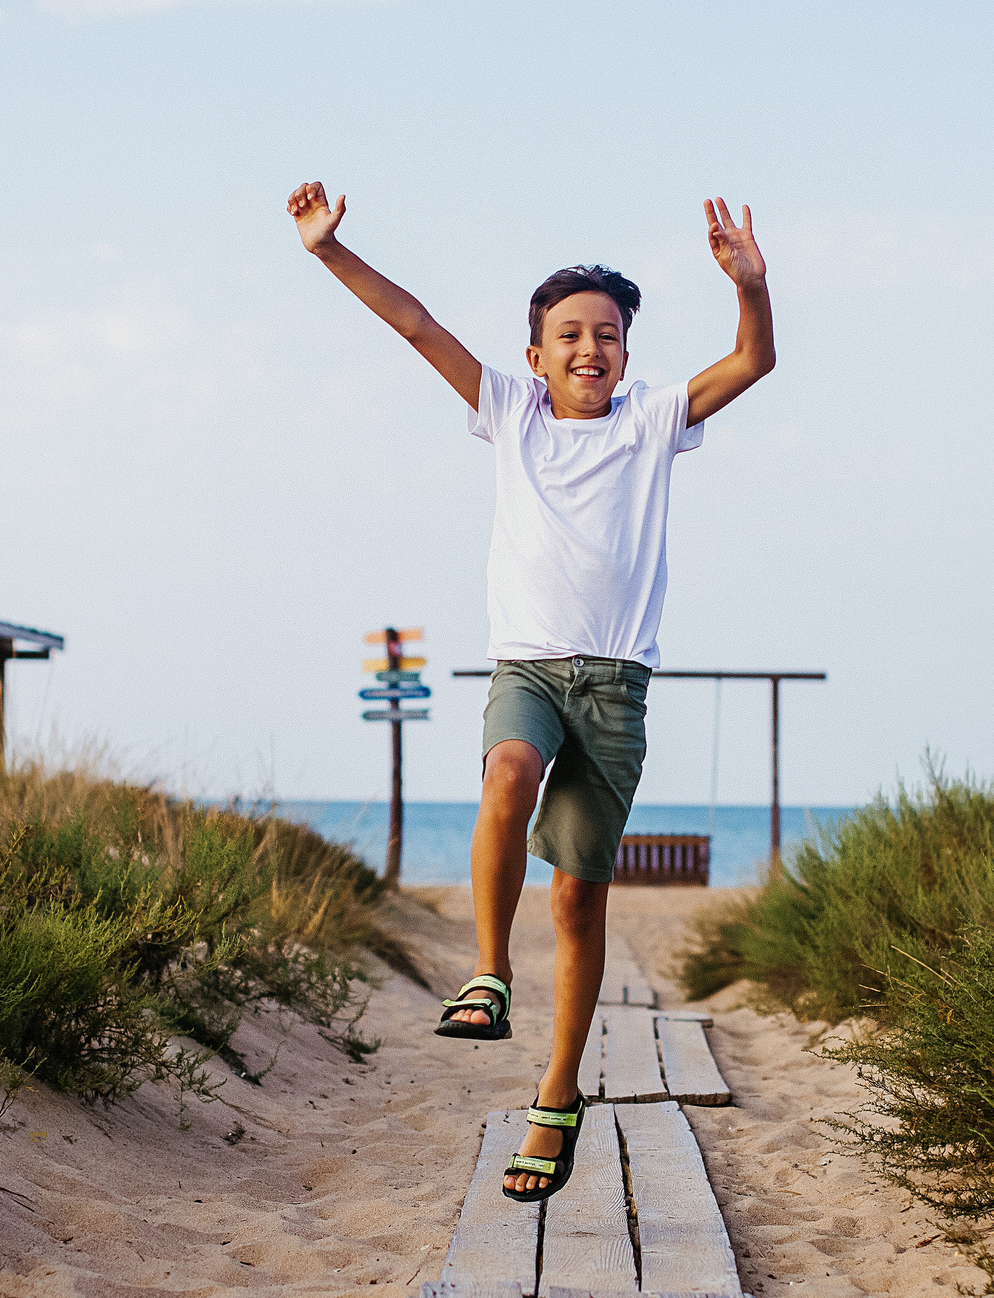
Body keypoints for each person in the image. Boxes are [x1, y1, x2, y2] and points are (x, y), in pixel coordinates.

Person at [286, 180, 774, 1199]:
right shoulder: (509, 413)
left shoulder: (652, 421)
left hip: (617, 687)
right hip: (528, 668)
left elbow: (752, 361)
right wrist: (329, 251)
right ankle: (489, 970)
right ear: (536, 354)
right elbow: (416, 324)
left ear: (626, 354)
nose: (590, 349)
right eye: (569, 335)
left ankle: (557, 1097)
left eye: (607, 335)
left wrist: (749, 287)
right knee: (507, 772)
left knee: (579, 900)